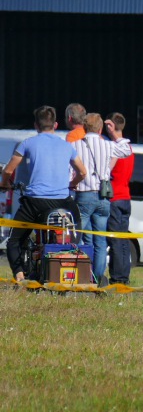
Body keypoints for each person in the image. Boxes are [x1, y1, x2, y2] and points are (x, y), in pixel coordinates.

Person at [1, 105, 87, 283]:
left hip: (35, 202)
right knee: (77, 226)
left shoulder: (27, 143)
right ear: (55, 124)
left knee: (14, 240)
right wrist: (71, 184)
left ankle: (19, 276)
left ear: (36, 125)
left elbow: (8, 170)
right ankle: (74, 252)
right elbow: (83, 172)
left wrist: (4, 184)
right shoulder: (67, 146)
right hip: (62, 201)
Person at [73, 113, 132, 285]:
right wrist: (116, 132)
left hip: (84, 195)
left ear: (84, 128)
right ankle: (97, 279)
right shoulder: (107, 145)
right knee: (100, 240)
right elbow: (126, 150)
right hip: (103, 197)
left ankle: (77, 274)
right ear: (100, 129)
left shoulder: (75, 145)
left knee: (77, 237)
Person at [106, 112, 134, 286]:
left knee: (115, 240)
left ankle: (118, 278)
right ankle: (123, 277)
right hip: (125, 197)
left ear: (111, 126)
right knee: (122, 240)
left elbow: (107, 170)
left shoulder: (116, 148)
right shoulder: (129, 148)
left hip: (114, 198)